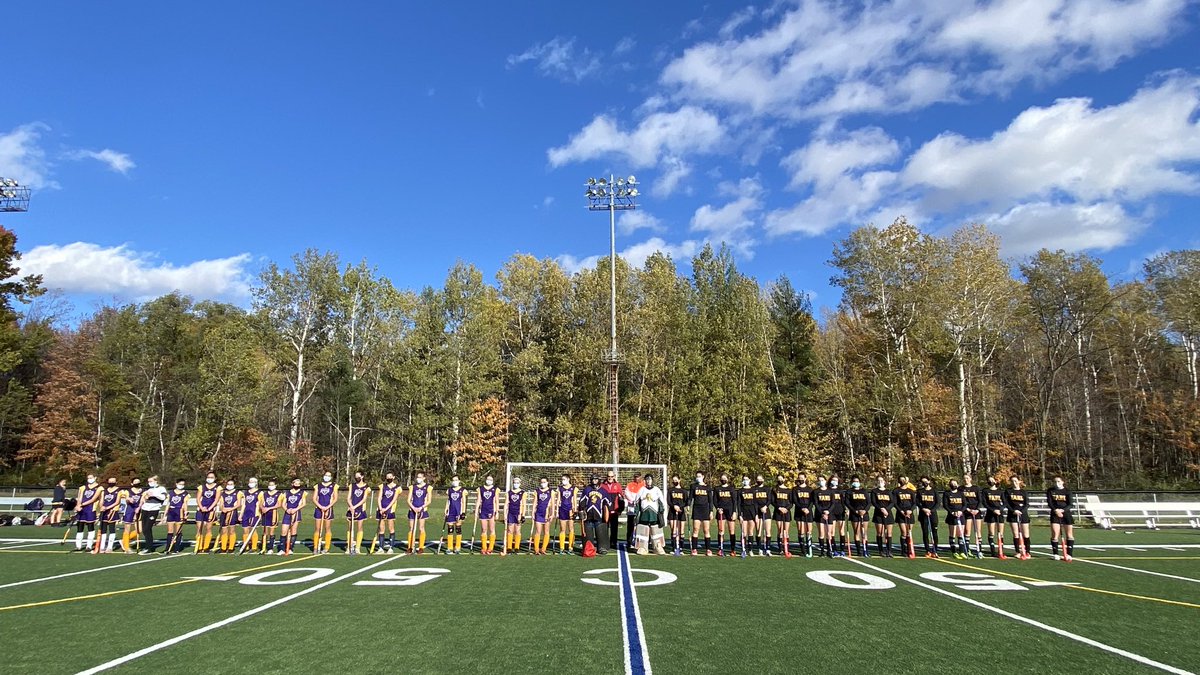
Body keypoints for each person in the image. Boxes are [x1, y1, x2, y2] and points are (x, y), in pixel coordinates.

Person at [633, 474, 666, 555]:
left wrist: (661, 512)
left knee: (656, 529)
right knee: (643, 529)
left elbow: (662, 502)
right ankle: (642, 547)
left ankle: (657, 546)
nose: (648, 481)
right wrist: (636, 514)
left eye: (650, 479)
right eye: (647, 479)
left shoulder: (657, 490)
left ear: (652, 480)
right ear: (645, 481)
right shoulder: (642, 490)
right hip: (644, 514)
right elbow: (636, 502)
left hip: (654, 514)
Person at [1047, 476, 1075, 562]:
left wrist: (1062, 510)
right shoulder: (1050, 491)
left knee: (1069, 534)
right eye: (1055, 482)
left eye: (1058, 481)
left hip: (1066, 513)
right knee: (1055, 533)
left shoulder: (1067, 491)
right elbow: (1049, 502)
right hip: (1055, 513)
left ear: (1063, 482)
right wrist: (1056, 510)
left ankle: (1069, 554)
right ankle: (1055, 554)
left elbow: (1070, 504)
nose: (1057, 483)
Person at [138, 476, 167, 555]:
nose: (149, 483)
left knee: (147, 528)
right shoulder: (149, 489)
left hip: (153, 510)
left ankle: (149, 548)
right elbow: (145, 497)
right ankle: (148, 546)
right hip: (145, 509)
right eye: (148, 481)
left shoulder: (161, 488)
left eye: (150, 481)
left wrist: (154, 495)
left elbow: (163, 497)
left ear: (156, 481)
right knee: (144, 529)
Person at [580, 476, 609, 554]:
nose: (594, 481)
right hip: (588, 517)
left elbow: (607, 503)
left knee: (601, 533)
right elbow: (582, 501)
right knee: (588, 535)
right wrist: (581, 510)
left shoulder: (603, 491)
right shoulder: (587, 489)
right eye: (593, 479)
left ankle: (602, 547)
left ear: (599, 480)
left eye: (596, 479)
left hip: (599, 517)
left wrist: (606, 513)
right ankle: (589, 548)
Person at [1005, 476, 1031, 560]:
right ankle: (1017, 552)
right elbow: (1007, 503)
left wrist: (1021, 511)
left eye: (1016, 481)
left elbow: (1027, 504)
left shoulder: (1023, 492)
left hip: (1023, 514)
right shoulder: (1008, 491)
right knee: (1016, 534)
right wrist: (1014, 510)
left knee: (1025, 534)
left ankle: (1027, 552)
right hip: (1012, 514)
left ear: (1019, 481)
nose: (1014, 483)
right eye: (1012, 481)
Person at [312, 471, 338, 555]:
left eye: (329, 476)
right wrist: (320, 506)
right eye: (325, 475)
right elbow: (314, 498)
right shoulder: (318, 486)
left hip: (328, 509)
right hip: (319, 509)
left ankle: (326, 547)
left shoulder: (334, 486)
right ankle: (316, 547)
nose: (327, 477)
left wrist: (327, 507)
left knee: (327, 528)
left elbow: (335, 498)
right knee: (317, 528)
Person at [73, 474, 101, 552]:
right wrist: (78, 506)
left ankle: (89, 545)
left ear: (95, 478)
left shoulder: (99, 488)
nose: (89, 479)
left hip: (91, 509)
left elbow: (93, 499)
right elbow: (80, 498)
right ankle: (78, 545)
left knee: (90, 527)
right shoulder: (83, 487)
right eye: (88, 478)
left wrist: (82, 504)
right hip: (82, 509)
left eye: (91, 478)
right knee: (80, 526)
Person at [845, 476, 871, 557]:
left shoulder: (864, 491)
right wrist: (855, 511)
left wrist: (864, 511)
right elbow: (847, 503)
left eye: (857, 481)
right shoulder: (849, 491)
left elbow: (869, 503)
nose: (856, 482)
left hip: (864, 514)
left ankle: (865, 549)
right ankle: (859, 550)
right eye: (854, 481)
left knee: (864, 532)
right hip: (855, 514)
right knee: (857, 532)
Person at [280, 478, 307, 555]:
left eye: (299, 484)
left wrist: (295, 509)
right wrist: (287, 509)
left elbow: (303, 504)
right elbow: (283, 504)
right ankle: (282, 549)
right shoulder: (287, 493)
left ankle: (290, 548)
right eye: (296, 483)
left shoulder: (302, 493)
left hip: (296, 513)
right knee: (284, 531)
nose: (297, 485)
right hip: (288, 513)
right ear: (292, 484)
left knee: (293, 531)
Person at [95, 478, 122, 554]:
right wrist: (102, 507)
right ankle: (102, 546)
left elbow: (117, 502)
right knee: (103, 529)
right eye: (110, 481)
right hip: (104, 511)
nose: (111, 482)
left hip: (112, 511)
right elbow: (101, 501)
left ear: (116, 482)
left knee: (111, 529)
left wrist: (108, 507)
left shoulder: (118, 491)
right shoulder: (105, 491)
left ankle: (109, 547)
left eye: (113, 481)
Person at [375, 473, 401, 553]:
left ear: (393, 477)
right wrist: (380, 508)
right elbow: (379, 498)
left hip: (390, 510)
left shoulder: (397, 488)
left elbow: (394, 499)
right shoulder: (382, 486)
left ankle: (391, 548)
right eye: (387, 477)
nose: (389, 478)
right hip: (381, 509)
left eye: (390, 477)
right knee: (381, 529)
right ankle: (381, 548)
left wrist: (386, 509)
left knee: (391, 528)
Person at [870, 476, 895, 557]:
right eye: (879, 481)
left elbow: (892, 502)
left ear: (885, 482)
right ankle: (881, 550)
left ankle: (889, 551)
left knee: (889, 533)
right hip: (878, 514)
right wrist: (881, 509)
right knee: (880, 532)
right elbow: (874, 502)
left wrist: (886, 510)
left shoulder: (888, 491)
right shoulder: (874, 491)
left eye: (882, 480)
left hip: (888, 513)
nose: (880, 482)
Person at [346, 473, 370, 555]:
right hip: (351, 508)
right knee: (350, 528)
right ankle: (349, 547)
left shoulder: (366, 487)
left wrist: (355, 506)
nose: (356, 478)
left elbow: (364, 499)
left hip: (360, 509)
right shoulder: (352, 486)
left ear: (362, 476)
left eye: (358, 476)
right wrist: (351, 506)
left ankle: (357, 548)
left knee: (359, 528)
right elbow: (348, 498)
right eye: (355, 476)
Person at [983, 476, 1007, 559]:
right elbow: (985, 503)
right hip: (990, 513)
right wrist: (993, 510)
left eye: (992, 480)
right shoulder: (986, 491)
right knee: (991, 533)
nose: (991, 481)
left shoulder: (1000, 491)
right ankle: (993, 551)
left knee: (1000, 533)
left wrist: (1000, 509)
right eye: (989, 480)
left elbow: (1004, 503)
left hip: (999, 513)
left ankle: (1001, 550)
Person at [689, 472, 713, 556]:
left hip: (705, 510)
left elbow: (710, 501)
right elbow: (690, 498)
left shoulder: (708, 487)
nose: (698, 478)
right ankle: (694, 549)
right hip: (696, 509)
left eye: (699, 476)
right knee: (696, 529)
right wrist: (688, 506)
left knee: (706, 530)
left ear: (703, 477)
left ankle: (708, 549)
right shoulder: (693, 486)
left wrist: (711, 511)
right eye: (697, 476)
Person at [713, 474, 737, 557]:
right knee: (721, 530)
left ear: (727, 479)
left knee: (732, 531)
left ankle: (733, 550)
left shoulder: (731, 488)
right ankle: (720, 549)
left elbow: (734, 501)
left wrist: (734, 512)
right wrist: (718, 508)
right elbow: (715, 500)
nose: (723, 480)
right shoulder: (717, 489)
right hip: (721, 511)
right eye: (722, 478)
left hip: (730, 511)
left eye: (725, 478)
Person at [770, 475, 794, 558]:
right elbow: (773, 501)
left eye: (781, 479)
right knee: (780, 531)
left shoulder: (788, 490)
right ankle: (780, 549)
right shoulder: (774, 490)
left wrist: (786, 509)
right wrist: (779, 508)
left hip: (786, 512)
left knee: (786, 532)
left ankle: (786, 548)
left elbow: (791, 502)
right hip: (778, 512)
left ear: (784, 479)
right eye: (778, 479)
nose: (780, 480)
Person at [195, 472, 219, 553]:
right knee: (199, 528)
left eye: (212, 477)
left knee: (208, 528)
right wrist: (201, 507)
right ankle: (199, 546)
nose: (210, 478)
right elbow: (198, 498)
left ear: (215, 478)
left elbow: (216, 500)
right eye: (208, 477)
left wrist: (209, 508)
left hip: (210, 510)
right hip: (201, 510)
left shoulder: (218, 488)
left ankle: (206, 547)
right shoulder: (202, 487)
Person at [894, 476, 918, 559]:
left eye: (904, 479)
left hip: (909, 513)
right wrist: (901, 511)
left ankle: (909, 550)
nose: (902, 481)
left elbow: (914, 503)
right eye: (901, 480)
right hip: (901, 513)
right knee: (903, 532)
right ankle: (903, 550)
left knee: (909, 532)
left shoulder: (910, 491)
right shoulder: (896, 491)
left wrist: (910, 510)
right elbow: (895, 503)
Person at [502, 478, 527, 556]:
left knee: (517, 530)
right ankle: (509, 547)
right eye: (514, 482)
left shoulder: (523, 493)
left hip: (518, 513)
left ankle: (516, 547)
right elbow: (506, 504)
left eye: (517, 482)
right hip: (511, 513)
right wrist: (505, 514)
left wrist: (523, 515)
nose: (516, 484)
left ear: (520, 483)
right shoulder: (509, 493)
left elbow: (524, 504)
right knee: (510, 530)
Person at [407, 471, 431, 554]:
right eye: (417, 477)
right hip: (412, 510)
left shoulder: (428, 487)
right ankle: (410, 546)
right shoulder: (412, 487)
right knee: (411, 528)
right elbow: (408, 500)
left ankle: (421, 547)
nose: (418, 479)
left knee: (421, 528)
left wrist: (421, 508)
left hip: (422, 510)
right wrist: (413, 508)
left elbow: (429, 501)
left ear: (424, 478)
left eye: (420, 477)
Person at [943, 479, 967, 559]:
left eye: (955, 483)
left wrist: (961, 511)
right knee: (952, 534)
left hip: (961, 516)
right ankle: (954, 552)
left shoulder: (961, 493)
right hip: (952, 516)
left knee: (960, 534)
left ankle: (962, 551)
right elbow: (945, 505)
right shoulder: (947, 493)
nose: (954, 484)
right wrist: (952, 512)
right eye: (952, 483)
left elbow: (965, 504)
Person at [792, 475, 815, 558]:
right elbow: (795, 500)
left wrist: (808, 509)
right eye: (799, 478)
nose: (801, 479)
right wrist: (802, 508)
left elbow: (812, 501)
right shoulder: (795, 489)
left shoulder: (810, 489)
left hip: (808, 512)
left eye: (802, 478)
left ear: (805, 478)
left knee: (809, 531)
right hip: (799, 511)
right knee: (800, 531)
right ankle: (803, 550)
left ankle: (809, 549)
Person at [917, 476, 939, 558]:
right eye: (923, 482)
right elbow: (918, 502)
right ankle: (927, 550)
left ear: (929, 481)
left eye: (926, 481)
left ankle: (935, 550)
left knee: (934, 532)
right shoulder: (920, 491)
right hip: (923, 514)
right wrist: (924, 509)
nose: (924, 483)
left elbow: (938, 503)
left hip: (932, 514)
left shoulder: (934, 491)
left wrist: (931, 510)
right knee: (925, 533)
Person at [666, 475, 689, 556]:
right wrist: (674, 506)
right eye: (673, 480)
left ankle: (681, 548)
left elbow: (687, 502)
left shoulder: (684, 491)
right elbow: (668, 501)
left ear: (679, 480)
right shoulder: (670, 490)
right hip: (672, 512)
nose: (674, 481)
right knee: (673, 530)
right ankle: (674, 547)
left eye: (676, 480)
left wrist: (680, 507)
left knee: (681, 530)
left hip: (681, 512)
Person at [164, 478, 189, 554]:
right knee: (170, 531)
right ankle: (168, 548)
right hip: (171, 511)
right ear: (176, 484)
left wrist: (185, 512)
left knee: (178, 531)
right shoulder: (171, 493)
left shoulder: (185, 493)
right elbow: (168, 503)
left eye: (183, 484)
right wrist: (165, 513)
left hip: (179, 511)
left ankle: (176, 548)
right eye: (180, 484)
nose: (181, 485)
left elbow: (185, 503)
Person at [962, 474, 983, 559]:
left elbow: (980, 500)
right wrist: (967, 509)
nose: (966, 480)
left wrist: (977, 509)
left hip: (976, 511)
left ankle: (979, 550)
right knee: (967, 531)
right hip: (967, 511)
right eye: (964, 478)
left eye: (967, 478)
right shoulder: (961, 489)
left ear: (970, 479)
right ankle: (967, 549)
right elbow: (962, 501)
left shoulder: (976, 488)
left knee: (978, 531)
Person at [814, 476, 836, 558]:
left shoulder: (830, 491)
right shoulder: (816, 491)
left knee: (829, 533)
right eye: (819, 480)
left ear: (825, 481)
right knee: (821, 533)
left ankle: (829, 550)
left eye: (822, 480)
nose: (821, 482)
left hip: (829, 514)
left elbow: (833, 503)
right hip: (819, 514)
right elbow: (816, 503)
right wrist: (822, 512)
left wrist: (828, 511)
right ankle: (822, 550)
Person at [218, 479, 242, 554]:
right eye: (228, 484)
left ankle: (231, 547)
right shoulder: (223, 494)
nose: (229, 485)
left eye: (231, 484)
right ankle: (223, 547)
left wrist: (230, 509)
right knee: (224, 530)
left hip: (232, 513)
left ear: (234, 485)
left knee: (232, 530)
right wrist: (223, 509)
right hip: (224, 513)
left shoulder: (237, 493)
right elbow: (221, 504)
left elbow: (239, 504)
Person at [556, 474, 578, 555]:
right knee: (562, 529)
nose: (562, 481)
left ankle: (570, 547)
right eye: (562, 479)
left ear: (568, 479)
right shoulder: (560, 488)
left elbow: (575, 500)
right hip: (562, 509)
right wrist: (556, 510)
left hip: (570, 510)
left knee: (571, 528)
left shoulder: (573, 488)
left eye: (564, 479)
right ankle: (561, 548)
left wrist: (575, 510)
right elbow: (558, 499)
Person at [477, 476, 499, 555]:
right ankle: (484, 547)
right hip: (483, 511)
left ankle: (490, 548)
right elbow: (479, 500)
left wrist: (497, 511)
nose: (489, 481)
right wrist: (476, 510)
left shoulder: (495, 489)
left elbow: (496, 501)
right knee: (483, 529)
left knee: (492, 529)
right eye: (488, 479)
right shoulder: (481, 489)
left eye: (491, 479)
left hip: (491, 511)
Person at [239, 478, 262, 554]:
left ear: (256, 483)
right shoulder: (245, 493)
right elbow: (243, 505)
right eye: (250, 482)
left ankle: (254, 547)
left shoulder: (259, 493)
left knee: (253, 530)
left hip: (254, 513)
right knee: (245, 530)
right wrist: (241, 514)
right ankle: (246, 546)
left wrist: (260, 513)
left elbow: (260, 504)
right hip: (246, 513)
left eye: (252, 482)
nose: (250, 483)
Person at [601, 472, 623, 551]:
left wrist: (620, 509)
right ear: (606, 477)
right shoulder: (602, 486)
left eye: (611, 476)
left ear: (614, 476)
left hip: (615, 511)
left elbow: (621, 498)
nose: (610, 478)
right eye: (608, 476)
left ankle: (613, 542)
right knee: (604, 528)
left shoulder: (617, 485)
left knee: (614, 528)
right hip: (605, 511)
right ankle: (605, 543)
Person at [120, 478, 143, 554]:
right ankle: (126, 547)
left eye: (138, 482)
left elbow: (143, 500)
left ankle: (124, 541)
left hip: (138, 510)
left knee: (139, 530)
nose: (137, 483)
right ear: (132, 484)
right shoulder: (128, 491)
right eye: (135, 482)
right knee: (127, 528)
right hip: (129, 510)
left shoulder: (142, 491)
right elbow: (126, 499)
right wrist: (129, 499)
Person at [444, 476, 466, 554]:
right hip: (451, 511)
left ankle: (457, 547)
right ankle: (449, 547)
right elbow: (448, 500)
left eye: (456, 480)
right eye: (453, 480)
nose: (454, 481)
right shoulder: (449, 490)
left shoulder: (462, 490)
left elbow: (463, 502)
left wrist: (463, 512)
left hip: (458, 511)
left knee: (458, 528)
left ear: (459, 481)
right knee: (450, 529)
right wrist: (446, 509)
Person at [260, 479, 283, 555]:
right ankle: (263, 547)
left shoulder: (279, 494)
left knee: (271, 531)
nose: (271, 486)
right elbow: (261, 503)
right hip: (265, 514)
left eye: (272, 485)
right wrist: (262, 508)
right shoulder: (264, 494)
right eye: (269, 485)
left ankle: (270, 548)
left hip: (273, 513)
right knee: (265, 531)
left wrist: (269, 508)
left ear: (275, 486)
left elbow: (279, 504)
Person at [532, 477, 553, 555]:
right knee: (538, 532)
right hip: (539, 513)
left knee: (546, 532)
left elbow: (553, 504)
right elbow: (535, 503)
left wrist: (552, 514)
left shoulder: (551, 491)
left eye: (544, 482)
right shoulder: (537, 491)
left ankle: (543, 549)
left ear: (547, 482)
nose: (542, 483)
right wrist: (532, 512)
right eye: (541, 482)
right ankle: (536, 549)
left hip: (547, 513)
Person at [737, 476, 758, 558]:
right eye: (744, 480)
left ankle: (750, 550)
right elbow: (738, 504)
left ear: (749, 480)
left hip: (751, 512)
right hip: (743, 512)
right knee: (744, 532)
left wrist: (756, 514)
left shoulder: (753, 490)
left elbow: (755, 503)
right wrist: (739, 515)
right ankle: (743, 549)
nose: (745, 481)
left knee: (750, 531)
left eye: (747, 479)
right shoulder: (740, 491)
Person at [624, 473, 645, 547]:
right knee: (630, 525)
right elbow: (626, 493)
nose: (637, 479)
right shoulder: (630, 485)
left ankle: (640, 541)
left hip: (640, 509)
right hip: (631, 509)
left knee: (641, 525)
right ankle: (629, 541)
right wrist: (633, 501)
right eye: (635, 477)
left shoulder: (644, 485)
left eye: (638, 477)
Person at [829, 474, 849, 555]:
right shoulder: (828, 490)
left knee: (841, 530)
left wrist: (846, 509)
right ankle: (834, 549)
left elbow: (843, 502)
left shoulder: (840, 490)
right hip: (832, 512)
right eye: (833, 480)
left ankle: (842, 549)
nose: (834, 482)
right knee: (832, 531)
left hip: (840, 511)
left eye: (836, 480)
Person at [754, 474, 772, 555]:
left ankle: (768, 548)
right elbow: (753, 501)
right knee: (758, 531)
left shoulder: (767, 489)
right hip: (757, 512)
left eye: (760, 479)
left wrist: (765, 507)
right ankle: (759, 548)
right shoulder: (754, 489)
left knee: (767, 531)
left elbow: (769, 500)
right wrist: (758, 509)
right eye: (758, 479)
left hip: (766, 511)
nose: (759, 481)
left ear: (763, 480)